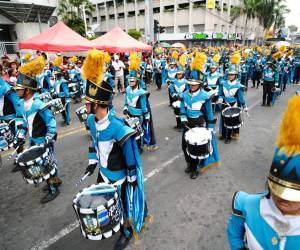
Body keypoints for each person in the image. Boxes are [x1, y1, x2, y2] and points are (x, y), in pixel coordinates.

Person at [82, 49, 150, 250]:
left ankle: (127, 232)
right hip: (103, 173)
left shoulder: (119, 128)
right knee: (105, 204)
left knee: (124, 206)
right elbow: (94, 143)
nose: (85, 104)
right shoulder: (91, 121)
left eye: (88, 102)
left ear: (97, 104)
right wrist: (92, 163)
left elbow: (130, 152)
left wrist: (131, 177)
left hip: (120, 176)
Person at [227, 95, 300, 250]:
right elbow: (234, 234)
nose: (282, 197)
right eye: (278, 188)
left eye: (294, 193)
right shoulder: (247, 204)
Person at [13, 56, 62, 203]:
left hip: (43, 139)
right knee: (44, 164)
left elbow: (51, 121)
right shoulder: (23, 104)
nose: (16, 91)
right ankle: (56, 181)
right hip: (34, 139)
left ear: (27, 90)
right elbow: (23, 122)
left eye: (19, 89)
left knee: (46, 165)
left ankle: (54, 189)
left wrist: (49, 137)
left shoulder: (39, 104)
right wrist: (20, 135)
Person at [180, 76, 220, 179]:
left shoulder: (205, 96)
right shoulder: (184, 95)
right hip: (187, 125)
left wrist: (210, 128)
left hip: (199, 126)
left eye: (195, 84)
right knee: (184, 146)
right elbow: (182, 109)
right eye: (191, 84)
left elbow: (209, 113)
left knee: (195, 149)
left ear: (199, 84)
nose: (192, 86)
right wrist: (183, 118)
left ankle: (195, 168)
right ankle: (189, 163)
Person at [218, 64, 248, 144]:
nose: (230, 76)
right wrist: (220, 98)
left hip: (234, 104)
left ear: (236, 75)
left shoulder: (239, 86)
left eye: (232, 74)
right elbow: (220, 94)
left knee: (231, 121)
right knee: (224, 119)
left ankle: (229, 137)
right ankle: (224, 134)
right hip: (225, 104)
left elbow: (241, 98)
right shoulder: (223, 83)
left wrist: (244, 106)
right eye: (229, 74)